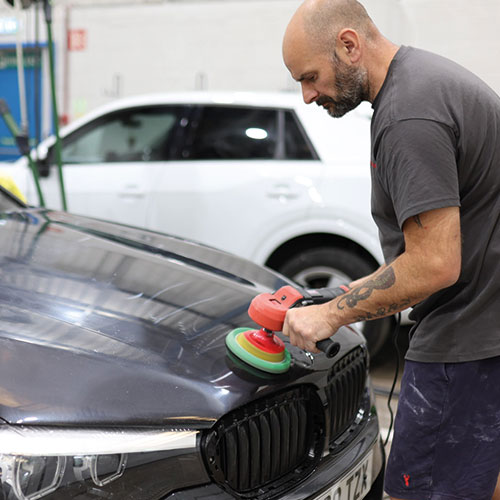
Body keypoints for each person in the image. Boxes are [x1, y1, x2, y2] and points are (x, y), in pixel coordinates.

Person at [281, 0, 500, 499]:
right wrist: (340, 295)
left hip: (465, 347)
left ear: (349, 45)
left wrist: (332, 315)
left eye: (310, 76)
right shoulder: (424, 81)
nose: (308, 94)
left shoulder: (409, 114)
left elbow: (436, 263)